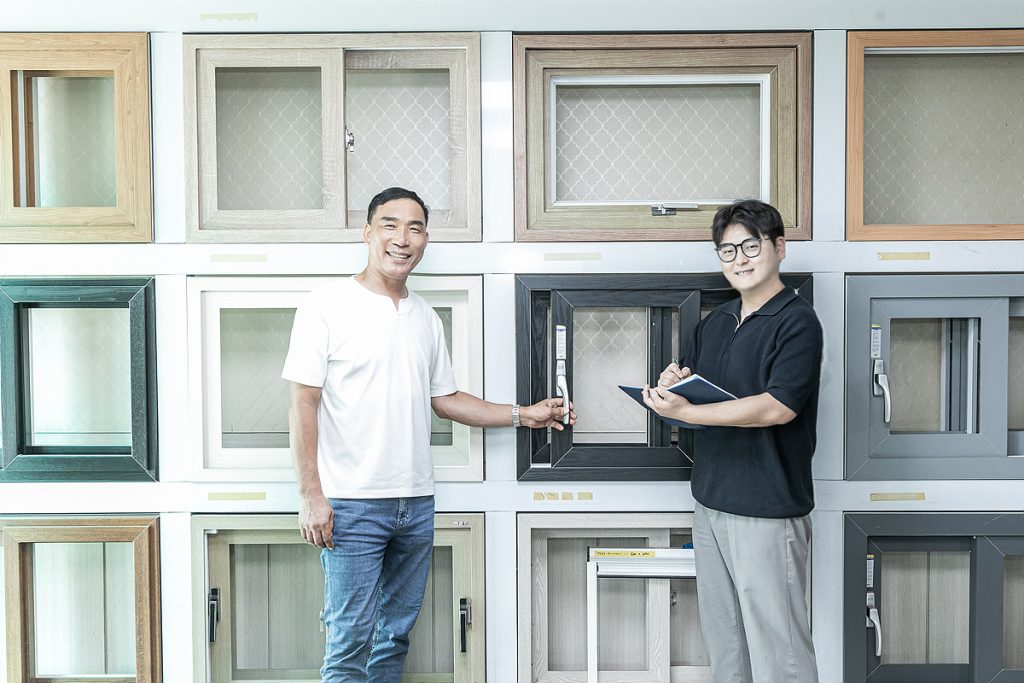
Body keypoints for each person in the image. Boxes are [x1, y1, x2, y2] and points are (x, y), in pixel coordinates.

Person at [282, 187, 575, 682]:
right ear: (368, 233)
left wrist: (524, 415)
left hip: (415, 503)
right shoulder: (326, 305)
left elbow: (446, 399)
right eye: (390, 225)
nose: (403, 238)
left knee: (393, 637)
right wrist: (311, 494)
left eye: (415, 228)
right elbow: (302, 404)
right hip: (351, 504)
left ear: (425, 240)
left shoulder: (424, 317)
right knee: (348, 640)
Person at [642, 199, 822, 683]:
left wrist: (687, 411)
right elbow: (698, 388)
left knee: (780, 654)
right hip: (710, 502)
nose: (739, 259)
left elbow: (778, 406)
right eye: (727, 250)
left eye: (750, 246)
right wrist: (673, 384)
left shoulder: (797, 321)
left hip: (767, 509)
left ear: (779, 247)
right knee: (726, 648)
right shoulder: (716, 322)